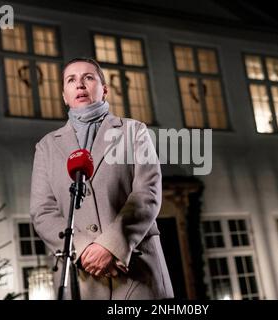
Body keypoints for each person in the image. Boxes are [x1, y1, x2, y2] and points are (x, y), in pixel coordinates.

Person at [30, 57, 174, 300]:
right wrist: (84, 249)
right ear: (64, 95)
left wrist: (111, 246)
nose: (80, 85)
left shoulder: (134, 131)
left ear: (104, 89)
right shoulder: (46, 146)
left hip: (137, 272)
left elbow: (146, 193)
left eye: (88, 77)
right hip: (82, 277)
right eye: (71, 80)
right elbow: (43, 211)